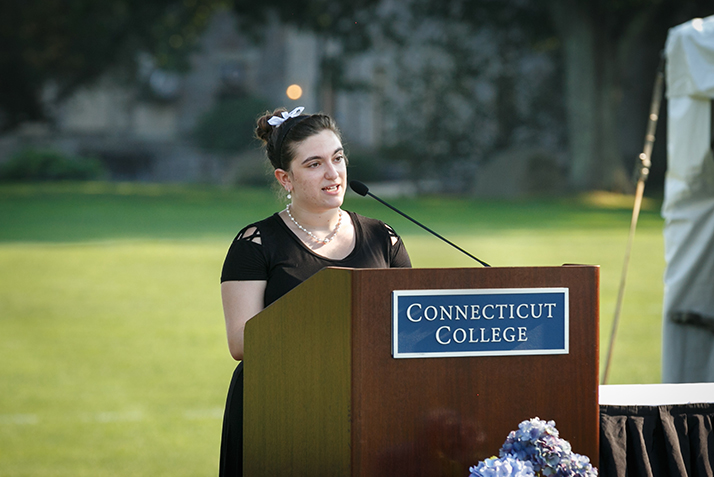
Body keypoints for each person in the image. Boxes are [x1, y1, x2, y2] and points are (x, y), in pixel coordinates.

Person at [218, 106, 412, 476]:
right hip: (279, 410)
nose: (333, 173)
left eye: (338, 158)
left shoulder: (382, 237)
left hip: (368, 408)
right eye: (314, 164)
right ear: (285, 178)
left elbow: (409, 327)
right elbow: (242, 342)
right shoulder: (255, 243)